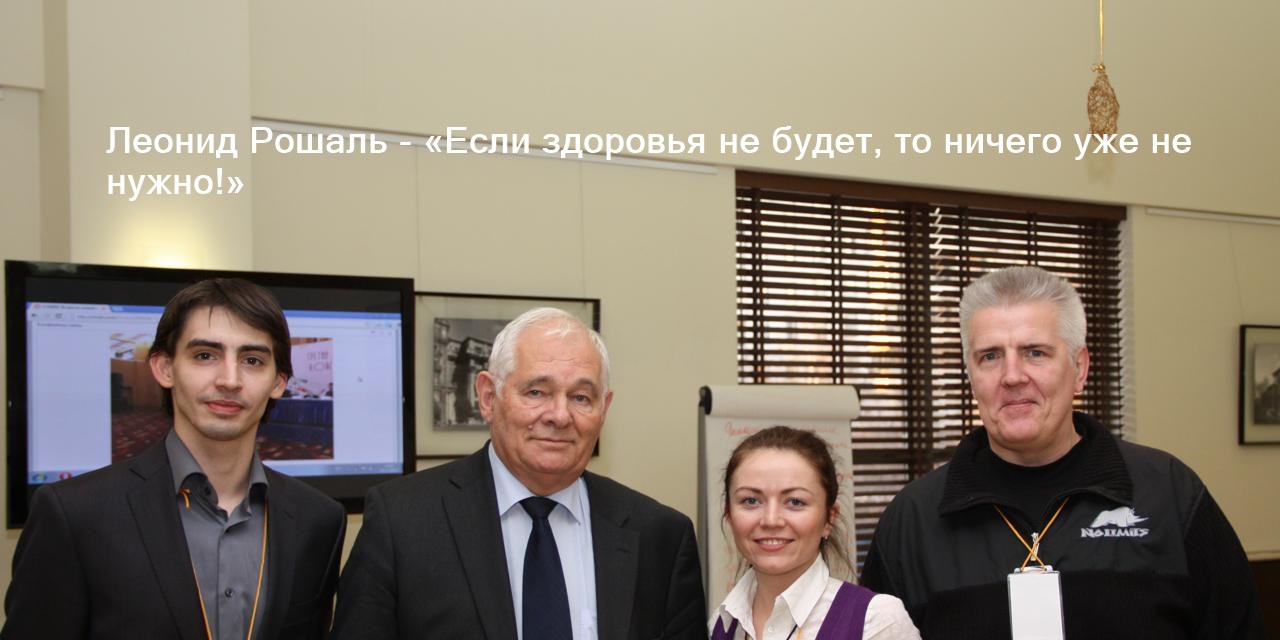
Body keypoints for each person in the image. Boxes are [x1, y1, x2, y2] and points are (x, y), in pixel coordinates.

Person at [860, 266, 1265, 638]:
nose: (1012, 376)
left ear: (1080, 368)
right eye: (990, 356)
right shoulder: (913, 520)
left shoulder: (1169, 494)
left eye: (1035, 352)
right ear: (971, 375)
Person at [2, 278, 347, 640]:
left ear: (278, 382)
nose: (229, 380)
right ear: (165, 368)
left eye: (252, 360)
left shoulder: (318, 520)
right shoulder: (74, 515)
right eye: (205, 356)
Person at [331, 307, 705, 639]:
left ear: (603, 409)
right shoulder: (402, 522)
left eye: (580, 398)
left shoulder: (661, 538)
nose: (560, 416)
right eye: (537, 392)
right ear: (488, 397)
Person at [710, 426, 920, 640]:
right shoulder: (719, 624)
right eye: (750, 500)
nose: (771, 520)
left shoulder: (876, 621)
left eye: (795, 502)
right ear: (729, 514)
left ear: (829, 518)